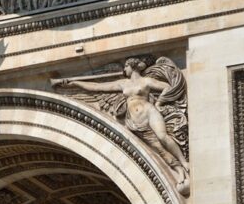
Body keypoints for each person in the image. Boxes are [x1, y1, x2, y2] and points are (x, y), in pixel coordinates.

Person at [55, 58, 189, 190]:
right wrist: (75, 83)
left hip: (149, 111)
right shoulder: (123, 84)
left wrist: (159, 102)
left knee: (162, 137)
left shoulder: (146, 81)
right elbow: (97, 87)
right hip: (135, 121)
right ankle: (179, 171)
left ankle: (184, 162)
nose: (124, 69)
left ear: (132, 66)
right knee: (158, 148)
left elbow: (167, 87)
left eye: (126, 66)